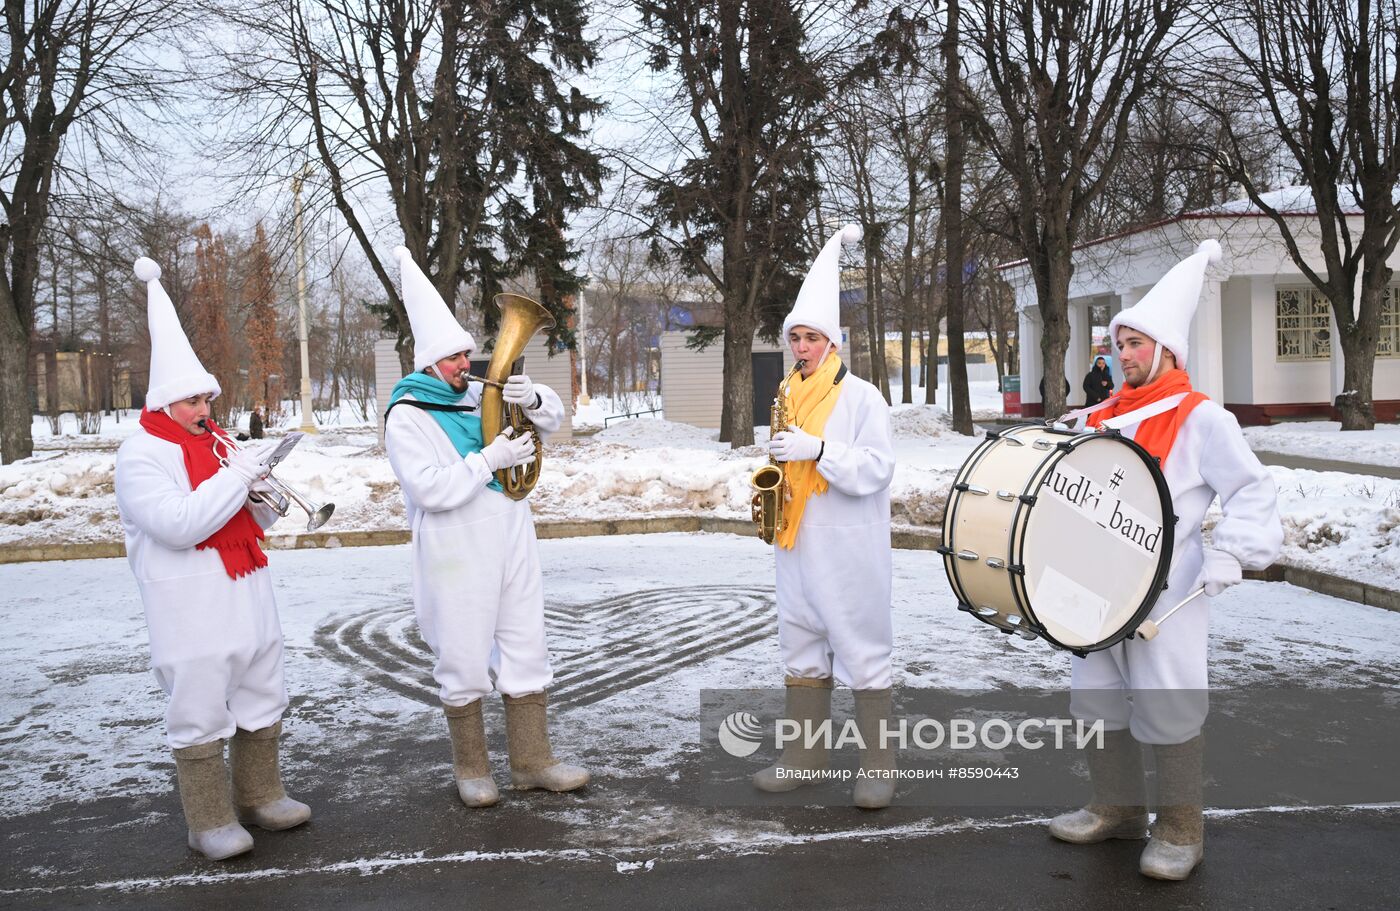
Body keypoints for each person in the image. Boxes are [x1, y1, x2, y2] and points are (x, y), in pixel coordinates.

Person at [1049, 240, 1282, 880]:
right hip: (1097, 583)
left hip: (1166, 589)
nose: (1123, 356)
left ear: (1167, 352)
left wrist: (1233, 552)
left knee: (1168, 700)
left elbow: (1252, 488)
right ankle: (1115, 809)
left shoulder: (1204, 417)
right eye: (1118, 345)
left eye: (1135, 345)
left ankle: (1181, 830)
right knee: (1096, 697)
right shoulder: (1100, 416)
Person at [115, 257, 310, 861]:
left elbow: (245, 520)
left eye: (208, 397)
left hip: (245, 588)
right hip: (189, 599)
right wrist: (237, 476)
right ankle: (208, 820)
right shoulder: (140, 454)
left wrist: (263, 497)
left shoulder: (215, 445)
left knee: (261, 687)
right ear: (167, 401)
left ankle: (259, 795)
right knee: (199, 699)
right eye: (194, 400)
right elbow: (181, 524)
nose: (206, 408)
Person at [383, 246, 587, 809]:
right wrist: (488, 460)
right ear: (426, 364)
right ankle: (472, 767)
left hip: (512, 533)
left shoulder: (478, 393)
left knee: (526, 641)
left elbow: (552, 421)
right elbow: (429, 488)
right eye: (453, 359)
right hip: (455, 547)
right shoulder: (407, 415)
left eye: (466, 355)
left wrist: (535, 395)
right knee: (464, 651)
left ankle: (532, 761)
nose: (465, 367)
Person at [750, 225, 898, 809]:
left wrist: (819, 452)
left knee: (862, 649)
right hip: (797, 541)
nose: (801, 347)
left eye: (812, 337)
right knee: (801, 646)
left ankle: (878, 764)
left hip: (849, 546)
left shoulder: (863, 397)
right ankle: (805, 756)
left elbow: (878, 468)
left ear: (833, 343)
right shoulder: (787, 392)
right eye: (795, 337)